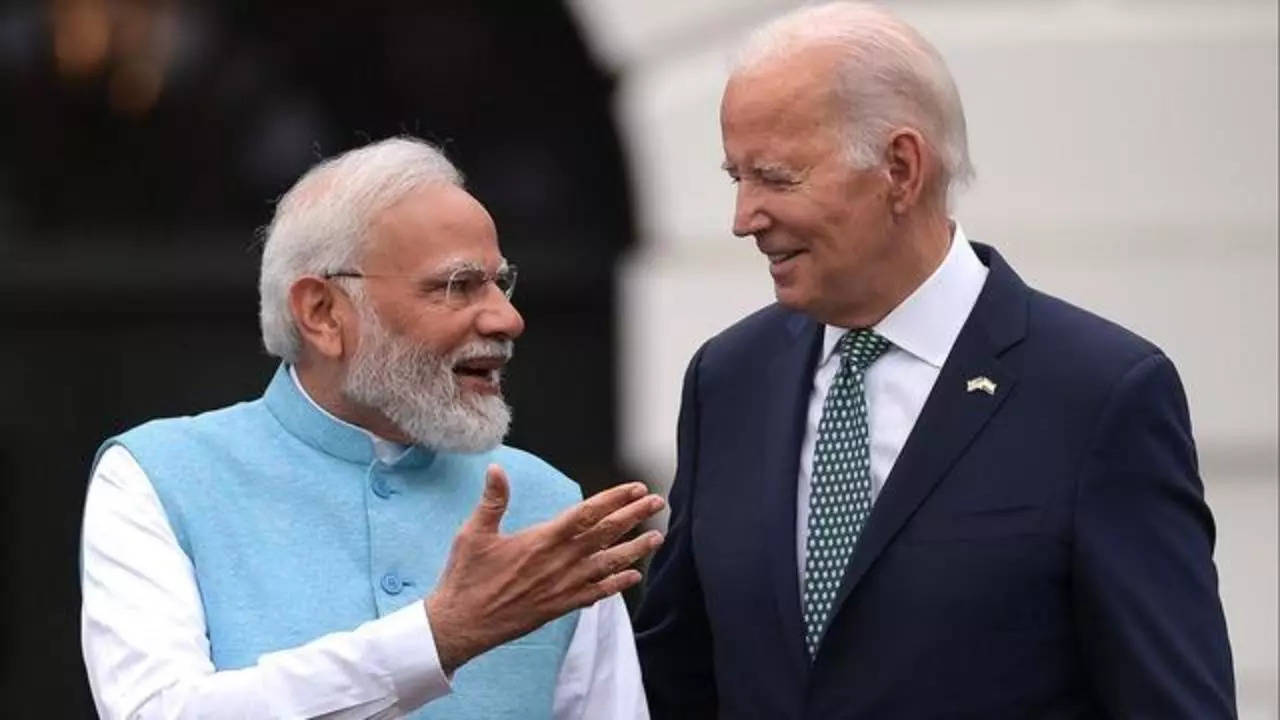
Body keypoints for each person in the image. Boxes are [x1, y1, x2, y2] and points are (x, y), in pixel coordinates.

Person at [633, 3, 1236, 718]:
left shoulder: (1099, 396)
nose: (744, 217)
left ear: (900, 168)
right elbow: (674, 686)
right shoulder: (728, 381)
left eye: (775, 177)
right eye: (736, 175)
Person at [80, 137, 663, 719]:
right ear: (323, 313)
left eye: (499, 283)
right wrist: (438, 637)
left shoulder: (553, 509)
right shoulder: (157, 478)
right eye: (457, 285)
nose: (507, 318)